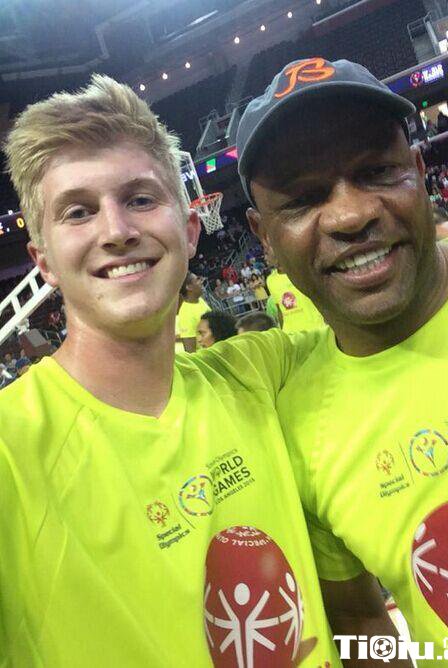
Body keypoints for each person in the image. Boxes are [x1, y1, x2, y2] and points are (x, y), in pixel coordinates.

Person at [0, 73, 350, 667]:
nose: (117, 231)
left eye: (140, 199)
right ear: (45, 262)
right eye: (79, 212)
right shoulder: (13, 448)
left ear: (190, 231)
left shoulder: (262, 371)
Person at [237, 57, 448, 666]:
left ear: (420, 172)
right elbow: (359, 622)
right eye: (303, 199)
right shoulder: (297, 429)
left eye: (377, 172)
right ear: (263, 236)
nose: (351, 215)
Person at [176, 272, 209, 352]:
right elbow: (190, 351)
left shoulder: (200, 301)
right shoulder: (186, 315)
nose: (201, 281)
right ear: (189, 287)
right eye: (197, 279)